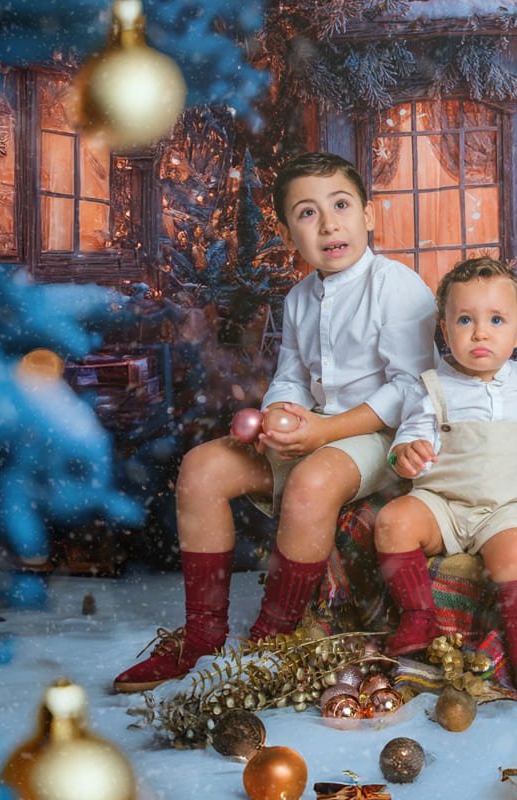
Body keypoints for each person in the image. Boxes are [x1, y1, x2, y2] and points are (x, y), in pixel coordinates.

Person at [114, 152, 437, 692]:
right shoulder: (298, 297)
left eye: (340, 205)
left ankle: (274, 635)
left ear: (369, 215)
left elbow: (412, 390)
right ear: (290, 233)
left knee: (313, 482)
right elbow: (290, 374)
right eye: (307, 214)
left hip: (378, 437)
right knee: (201, 467)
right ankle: (202, 634)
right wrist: (278, 418)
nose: (329, 223)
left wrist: (325, 432)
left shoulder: (396, 286)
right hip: (315, 429)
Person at [373, 257, 517, 697]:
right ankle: (419, 619)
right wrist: (405, 456)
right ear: (445, 328)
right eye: (465, 320)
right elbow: (408, 439)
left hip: (504, 509)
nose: (480, 332)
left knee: (513, 551)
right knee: (392, 520)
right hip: (442, 504)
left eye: (496, 320)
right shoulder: (431, 386)